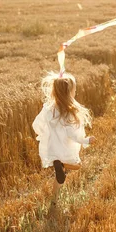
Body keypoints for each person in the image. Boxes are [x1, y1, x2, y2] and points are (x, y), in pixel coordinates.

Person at [32, 72, 95, 206]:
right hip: (64, 147)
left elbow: (36, 124)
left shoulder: (48, 109)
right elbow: (73, 134)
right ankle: (61, 167)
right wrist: (86, 140)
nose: (75, 91)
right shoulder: (68, 112)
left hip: (52, 147)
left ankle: (54, 199)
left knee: (60, 174)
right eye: (74, 89)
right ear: (68, 93)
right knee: (76, 166)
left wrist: (43, 134)